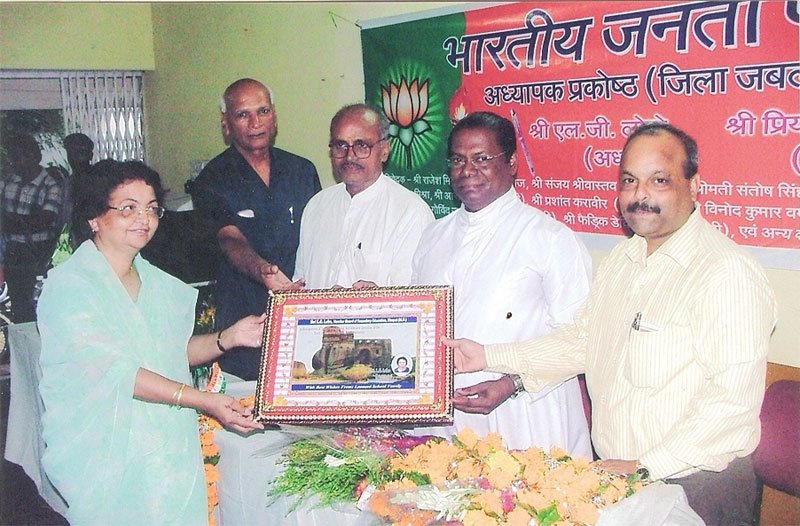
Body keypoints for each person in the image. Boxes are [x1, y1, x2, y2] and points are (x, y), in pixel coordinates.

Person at [447, 121, 777, 526]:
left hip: (694, 486)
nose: (640, 195)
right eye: (629, 180)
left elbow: (731, 405)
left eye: (659, 180)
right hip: (624, 480)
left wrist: (645, 466)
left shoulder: (726, 273)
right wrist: (486, 355)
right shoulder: (624, 260)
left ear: (693, 186)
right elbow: (582, 342)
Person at [37, 160, 265, 525]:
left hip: (168, 444)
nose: (143, 218)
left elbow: (171, 354)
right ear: (94, 217)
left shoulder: (157, 282)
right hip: (107, 448)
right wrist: (204, 400)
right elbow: (117, 373)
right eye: (128, 208)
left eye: (152, 208)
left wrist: (228, 338)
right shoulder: (70, 287)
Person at [411, 112, 592, 455]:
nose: (467, 171)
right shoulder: (433, 236)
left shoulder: (551, 239)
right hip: (445, 421)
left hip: (526, 415)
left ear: (511, 163)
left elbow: (579, 345)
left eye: (482, 159)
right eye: (458, 160)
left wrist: (512, 383)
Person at [189, 78, 321, 380]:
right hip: (247, 318)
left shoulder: (302, 170)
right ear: (226, 124)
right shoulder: (213, 179)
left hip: (303, 314)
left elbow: (321, 235)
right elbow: (230, 240)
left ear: (274, 116)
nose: (255, 123)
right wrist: (264, 271)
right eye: (242, 114)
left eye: (263, 111)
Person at [294, 104, 434, 289]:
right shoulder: (317, 206)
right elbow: (300, 283)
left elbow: (416, 298)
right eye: (340, 145)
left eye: (361, 146)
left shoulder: (410, 212)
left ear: (384, 150)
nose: (349, 156)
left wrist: (374, 298)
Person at [0, 134, 65, 322]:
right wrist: (23, 221)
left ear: (35, 156)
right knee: (19, 307)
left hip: (37, 254)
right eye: (14, 157)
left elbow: (42, 222)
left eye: (21, 156)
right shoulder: (7, 182)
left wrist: (10, 220)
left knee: (38, 306)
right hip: (13, 252)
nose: (17, 162)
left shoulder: (50, 185)